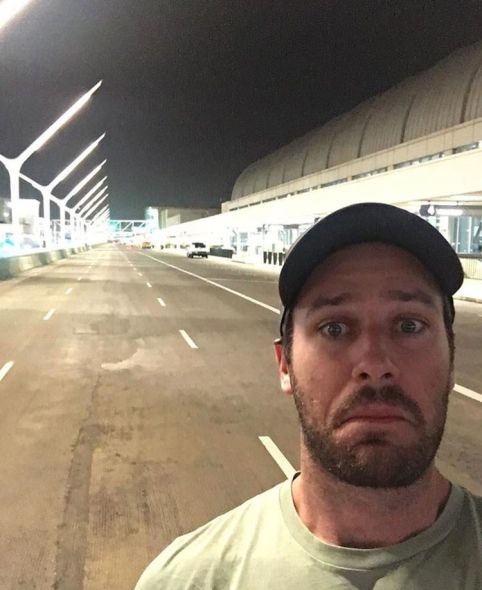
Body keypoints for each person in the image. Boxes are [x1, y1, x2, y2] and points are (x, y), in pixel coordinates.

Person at [135, 202, 482, 589]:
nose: (374, 364)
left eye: (409, 325)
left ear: (451, 359)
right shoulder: (187, 580)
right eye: (334, 329)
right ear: (285, 364)